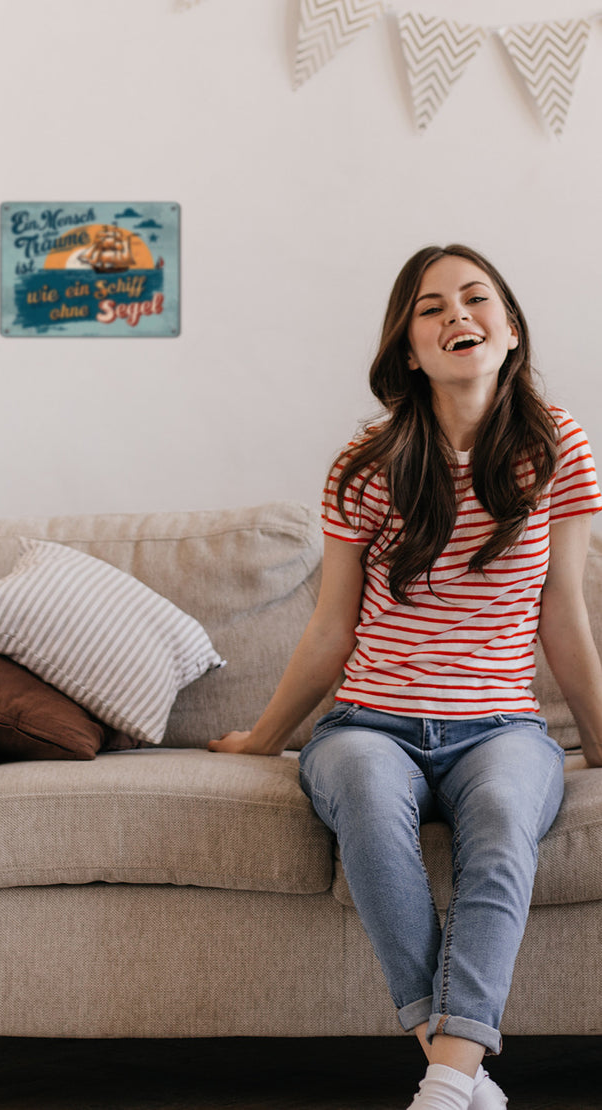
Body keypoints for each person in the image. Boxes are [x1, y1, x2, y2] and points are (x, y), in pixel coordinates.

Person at [209, 244, 602, 1110]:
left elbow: (562, 614)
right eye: (431, 307)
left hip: (501, 729)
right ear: (409, 349)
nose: (456, 315)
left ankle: (446, 1081)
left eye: (475, 299)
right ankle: (459, 1072)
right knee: (364, 800)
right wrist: (265, 739)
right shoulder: (366, 463)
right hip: (367, 724)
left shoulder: (558, 447)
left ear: (509, 334)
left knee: (503, 817)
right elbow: (331, 628)